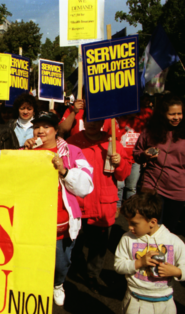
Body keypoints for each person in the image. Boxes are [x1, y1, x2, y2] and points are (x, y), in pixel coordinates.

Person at [24, 111, 94, 306]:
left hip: (61, 221)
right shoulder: (25, 150)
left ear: (56, 130)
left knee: (61, 262)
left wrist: (64, 170)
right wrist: (23, 155)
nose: (40, 130)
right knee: (32, 258)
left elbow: (86, 186)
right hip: (32, 221)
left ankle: (58, 284)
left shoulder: (73, 151)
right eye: (37, 126)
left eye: (46, 126)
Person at [67, 113, 131, 293]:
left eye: (96, 120)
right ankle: (73, 269)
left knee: (98, 246)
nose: (92, 124)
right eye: (89, 120)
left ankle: (92, 275)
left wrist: (120, 163)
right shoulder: (72, 142)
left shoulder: (113, 144)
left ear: (103, 122)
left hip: (103, 204)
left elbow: (123, 175)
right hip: (78, 203)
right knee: (74, 242)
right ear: (83, 121)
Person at [114, 193, 185, 314]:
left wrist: (177, 272)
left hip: (165, 303)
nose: (129, 227)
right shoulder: (127, 239)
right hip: (135, 300)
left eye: (134, 223)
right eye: (128, 222)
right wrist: (139, 263)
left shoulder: (174, 241)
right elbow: (118, 265)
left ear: (152, 222)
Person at [133, 94, 185, 234]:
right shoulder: (150, 131)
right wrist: (144, 155)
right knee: (149, 228)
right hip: (152, 187)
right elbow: (136, 154)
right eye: (172, 114)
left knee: (167, 233)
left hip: (177, 191)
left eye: (179, 114)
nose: (176, 117)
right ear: (163, 114)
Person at [116, 97, 153, 208]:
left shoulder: (141, 121)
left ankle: (129, 208)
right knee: (119, 186)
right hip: (121, 159)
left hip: (135, 160)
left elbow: (147, 138)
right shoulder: (118, 120)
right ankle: (116, 209)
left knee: (131, 187)